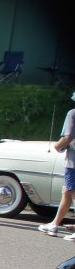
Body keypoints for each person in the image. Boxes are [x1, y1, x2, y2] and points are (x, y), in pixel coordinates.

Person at [39, 90, 75, 238]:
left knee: (72, 192)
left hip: (73, 161)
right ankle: (54, 224)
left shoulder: (72, 113)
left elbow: (68, 136)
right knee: (66, 192)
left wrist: (57, 146)